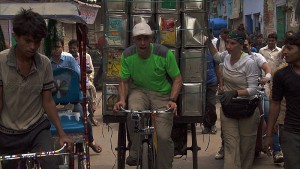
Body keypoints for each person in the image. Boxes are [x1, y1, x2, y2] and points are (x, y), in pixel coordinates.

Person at [0, 9, 73, 169]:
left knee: (51, 163)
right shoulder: (1, 61)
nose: (33, 47)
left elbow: (48, 101)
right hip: (7, 133)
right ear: (16, 36)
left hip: (36, 129)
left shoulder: (45, 63)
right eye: (27, 41)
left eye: (37, 41)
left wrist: (62, 134)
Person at [113, 22, 182, 168]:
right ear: (134, 40)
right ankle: (136, 151)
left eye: (146, 38)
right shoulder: (127, 55)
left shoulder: (164, 54)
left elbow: (177, 79)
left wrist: (172, 100)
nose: (142, 42)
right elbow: (123, 81)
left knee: (163, 137)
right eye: (139, 39)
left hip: (162, 95)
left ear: (151, 38)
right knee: (133, 113)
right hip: (139, 91)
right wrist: (122, 100)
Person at [206, 30, 260, 169]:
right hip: (229, 107)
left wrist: (235, 92)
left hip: (247, 108)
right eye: (228, 42)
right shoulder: (226, 56)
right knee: (231, 144)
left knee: (246, 146)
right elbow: (217, 56)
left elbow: (253, 89)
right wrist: (206, 40)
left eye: (233, 43)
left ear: (241, 45)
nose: (229, 46)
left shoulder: (249, 63)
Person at [50, 38, 102, 154]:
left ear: (62, 47)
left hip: (72, 101)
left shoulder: (69, 59)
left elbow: (79, 75)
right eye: (53, 47)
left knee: (86, 120)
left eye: (58, 46)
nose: (56, 50)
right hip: (53, 103)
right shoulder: (47, 63)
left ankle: (91, 141)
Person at [264, 31, 300, 169]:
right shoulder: (281, 74)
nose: (284, 52)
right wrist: (268, 135)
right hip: (291, 133)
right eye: (284, 47)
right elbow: (275, 104)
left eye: (289, 48)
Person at [259, 32, 284, 163]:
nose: (271, 42)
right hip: (264, 86)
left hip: (276, 85)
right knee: (267, 116)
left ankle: (277, 149)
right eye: (269, 40)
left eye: (273, 40)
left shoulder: (280, 52)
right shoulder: (261, 51)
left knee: (273, 118)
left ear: (276, 41)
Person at [68, 39, 99, 126]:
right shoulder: (67, 58)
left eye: (74, 48)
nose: (72, 50)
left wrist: (89, 77)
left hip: (84, 82)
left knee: (89, 95)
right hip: (70, 84)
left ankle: (91, 116)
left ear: (78, 48)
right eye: (70, 48)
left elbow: (90, 70)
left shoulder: (85, 57)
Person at [202, 29, 221, 134]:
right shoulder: (196, 52)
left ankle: (213, 124)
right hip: (200, 83)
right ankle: (206, 125)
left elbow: (217, 67)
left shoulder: (212, 52)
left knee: (211, 104)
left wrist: (219, 81)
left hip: (211, 81)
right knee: (203, 105)